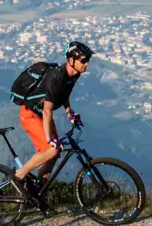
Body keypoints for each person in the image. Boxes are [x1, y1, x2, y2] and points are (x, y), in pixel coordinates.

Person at [11, 41, 93, 197]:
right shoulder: (56, 76)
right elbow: (48, 110)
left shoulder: (74, 75)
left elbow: (63, 95)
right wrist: (50, 139)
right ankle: (19, 175)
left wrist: (70, 113)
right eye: (83, 60)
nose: (86, 64)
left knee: (54, 155)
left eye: (88, 60)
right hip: (31, 114)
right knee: (52, 149)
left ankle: (37, 193)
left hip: (41, 114)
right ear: (71, 60)